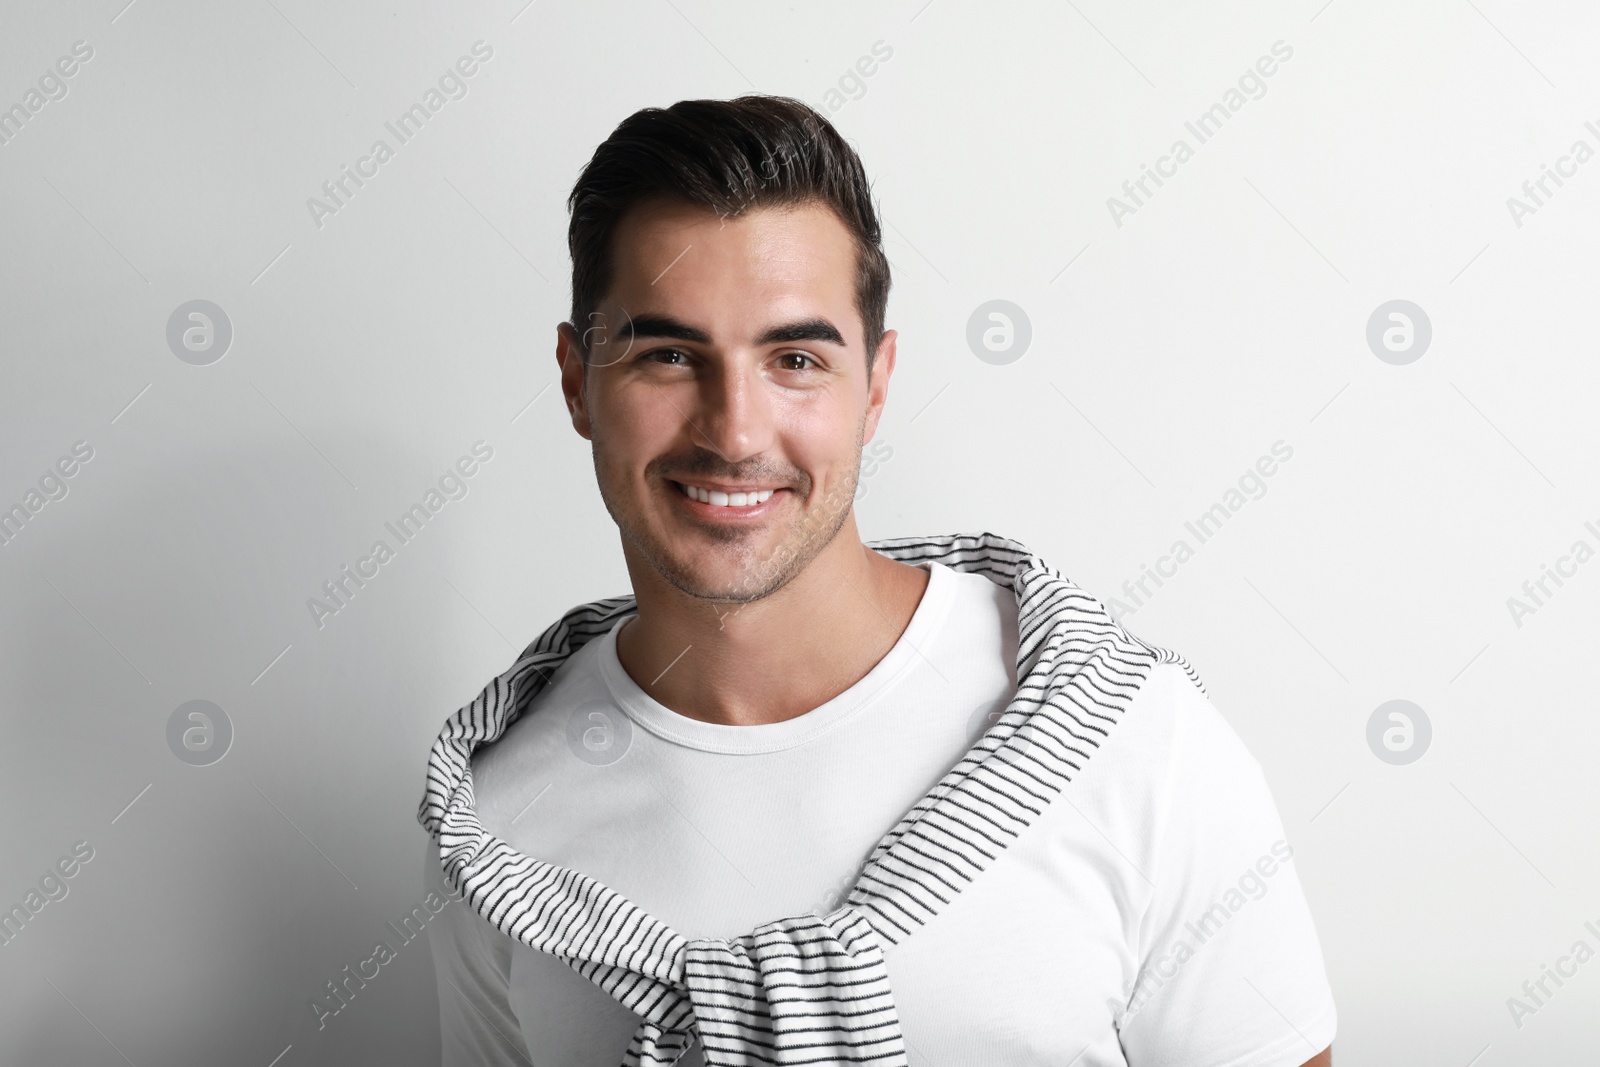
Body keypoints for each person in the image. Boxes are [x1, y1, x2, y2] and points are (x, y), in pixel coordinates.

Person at [417, 94, 1336, 1066]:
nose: (733, 432)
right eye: (669, 355)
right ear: (576, 382)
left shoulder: (1128, 735)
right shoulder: (492, 825)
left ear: (878, 384)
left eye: (796, 358)